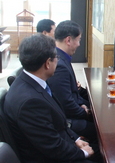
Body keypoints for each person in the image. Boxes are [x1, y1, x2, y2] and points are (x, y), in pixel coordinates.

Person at [4, 34, 96, 163]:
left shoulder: (32, 80)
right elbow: (52, 146)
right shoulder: (30, 102)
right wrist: (82, 153)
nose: (58, 61)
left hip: (61, 144)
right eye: (56, 57)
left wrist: (75, 140)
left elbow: (58, 125)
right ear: (48, 63)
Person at [47, 20, 98, 144]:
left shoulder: (60, 57)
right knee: (101, 130)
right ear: (68, 40)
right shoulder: (59, 64)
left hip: (73, 110)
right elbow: (65, 104)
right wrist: (85, 112)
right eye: (79, 40)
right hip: (67, 120)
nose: (79, 44)